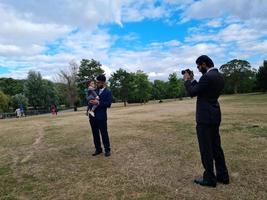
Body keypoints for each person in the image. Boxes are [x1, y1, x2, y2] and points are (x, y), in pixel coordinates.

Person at [183, 55, 229, 188]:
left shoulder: (207, 77)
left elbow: (192, 92)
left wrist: (187, 81)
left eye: (198, 66)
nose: (197, 68)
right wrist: (193, 80)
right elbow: (201, 89)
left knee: (206, 149)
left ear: (204, 64)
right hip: (215, 115)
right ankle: (223, 176)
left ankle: (209, 178)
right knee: (216, 148)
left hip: (204, 118)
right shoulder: (219, 76)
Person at [89, 74, 112, 157]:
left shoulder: (108, 92)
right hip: (92, 116)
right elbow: (90, 99)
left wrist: (98, 103)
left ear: (103, 82)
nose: (97, 84)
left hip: (102, 117)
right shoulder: (94, 91)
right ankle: (98, 149)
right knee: (95, 134)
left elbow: (108, 104)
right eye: (97, 82)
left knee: (104, 133)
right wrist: (90, 102)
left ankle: (107, 150)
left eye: (99, 82)